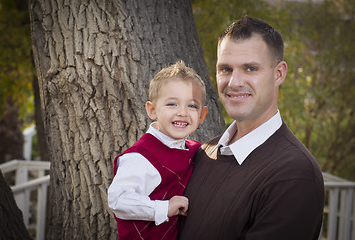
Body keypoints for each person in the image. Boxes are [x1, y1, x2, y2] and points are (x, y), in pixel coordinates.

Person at [179, 16, 324, 240]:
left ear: (279, 74)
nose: (235, 82)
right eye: (225, 69)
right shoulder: (203, 152)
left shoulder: (294, 175)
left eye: (250, 68)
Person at [107, 60, 208, 240]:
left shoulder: (195, 150)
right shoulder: (140, 157)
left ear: (201, 115)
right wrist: (163, 208)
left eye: (191, 105)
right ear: (152, 110)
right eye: (172, 104)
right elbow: (118, 200)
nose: (182, 112)